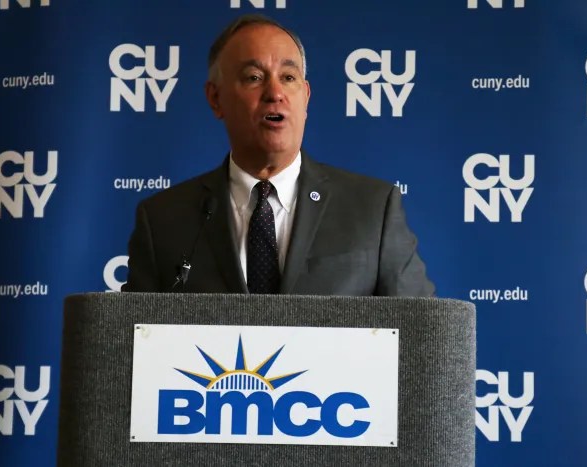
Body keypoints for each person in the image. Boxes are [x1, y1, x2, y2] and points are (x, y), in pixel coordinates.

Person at [122, 14, 435, 296]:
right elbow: (130, 343)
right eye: (254, 78)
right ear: (215, 99)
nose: (275, 93)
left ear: (306, 97)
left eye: (288, 77)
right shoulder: (162, 220)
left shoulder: (373, 209)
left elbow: (424, 337)